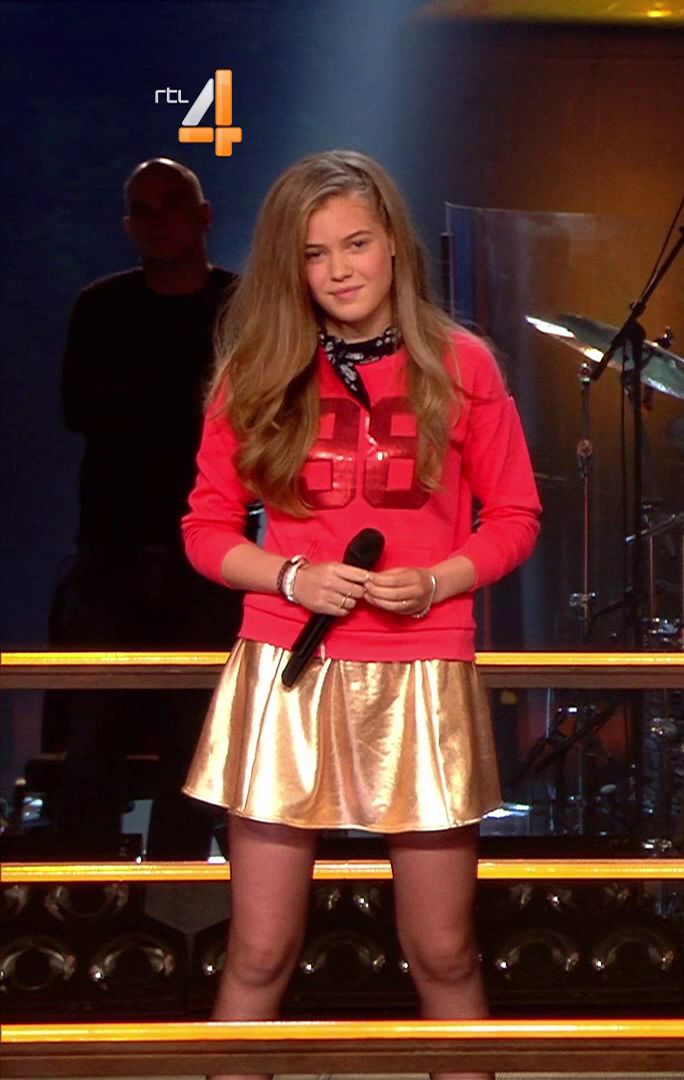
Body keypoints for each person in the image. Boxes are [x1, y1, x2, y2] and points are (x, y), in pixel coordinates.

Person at [179, 150, 540, 1079]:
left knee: (445, 953)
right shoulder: (259, 370)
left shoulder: (461, 364)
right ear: (288, 265)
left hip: (423, 667)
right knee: (258, 952)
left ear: (394, 248)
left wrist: (439, 580)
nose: (339, 269)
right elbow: (206, 531)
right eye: (314, 253)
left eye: (356, 244)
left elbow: (514, 517)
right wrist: (291, 577)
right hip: (288, 668)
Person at [45, 158, 242, 858]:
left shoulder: (244, 309)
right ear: (128, 224)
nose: (157, 221)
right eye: (142, 209)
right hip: (113, 549)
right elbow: (81, 411)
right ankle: (88, 899)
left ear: (204, 215)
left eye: (171, 204)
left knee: (196, 741)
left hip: (213, 555)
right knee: (93, 735)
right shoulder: (101, 307)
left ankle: (174, 898)